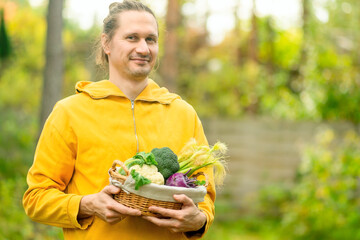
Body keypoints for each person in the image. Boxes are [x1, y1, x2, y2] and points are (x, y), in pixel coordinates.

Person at [23, 1, 215, 239]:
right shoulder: (70, 112)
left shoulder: (184, 114)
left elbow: (204, 194)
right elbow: (36, 198)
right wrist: (87, 205)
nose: (143, 48)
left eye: (151, 39)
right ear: (107, 43)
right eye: (132, 38)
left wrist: (199, 220)